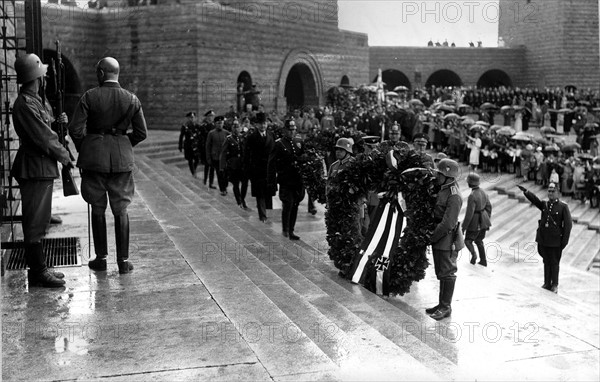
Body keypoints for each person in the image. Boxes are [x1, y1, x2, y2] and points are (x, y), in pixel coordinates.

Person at [69, 57, 147, 274]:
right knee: (121, 209)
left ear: (101, 74)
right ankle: (123, 262)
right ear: (117, 73)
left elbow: (75, 129)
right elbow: (142, 133)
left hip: (94, 160)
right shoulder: (132, 99)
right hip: (122, 162)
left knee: (97, 207)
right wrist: (123, 144)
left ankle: (101, 259)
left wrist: (87, 146)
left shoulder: (89, 97)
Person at [11, 53, 72, 287]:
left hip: (41, 167)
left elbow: (48, 128)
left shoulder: (36, 99)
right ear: (38, 77)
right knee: (35, 222)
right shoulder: (26, 103)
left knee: (41, 219)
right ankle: (37, 273)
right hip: (34, 167)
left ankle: (41, 267)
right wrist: (65, 156)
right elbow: (44, 138)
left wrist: (58, 123)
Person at [518, 182, 572, 293]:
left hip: (556, 241)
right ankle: (547, 283)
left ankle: (555, 284)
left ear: (558, 192)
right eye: (549, 190)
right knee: (546, 261)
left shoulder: (563, 207)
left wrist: (564, 242)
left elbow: (568, 225)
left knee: (554, 262)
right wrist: (526, 192)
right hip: (544, 240)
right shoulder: (545, 205)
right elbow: (535, 200)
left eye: (553, 191)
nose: (550, 193)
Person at [427, 158, 462, 320]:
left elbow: (448, 223)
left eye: (440, 174)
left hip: (446, 237)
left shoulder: (454, 195)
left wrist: (432, 237)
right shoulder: (444, 188)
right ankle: (441, 304)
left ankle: (446, 306)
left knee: (447, 272)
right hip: (440, 235)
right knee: (441, 272)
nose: (437, 177)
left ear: (448, 176)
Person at [267, 119, 305, 240]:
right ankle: (285, 229)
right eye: (289, 129)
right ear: (285, 130)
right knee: (288, 204)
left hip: (297, 180)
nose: (292, 132)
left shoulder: (299, 141)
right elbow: (271, 164)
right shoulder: (279, 144)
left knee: (295, 204)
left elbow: (304, 158)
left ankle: (291, 230)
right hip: (285, 180)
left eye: (293, 129)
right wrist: (271, 181)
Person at [244, 112, 275, 222]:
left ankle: (269, 212)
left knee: (269, 191)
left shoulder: (271, 135)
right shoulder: (252, 138)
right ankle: (262, 215)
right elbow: (247, 155)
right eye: (261, 124)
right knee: (260, 193)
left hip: (269, 169)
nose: (263, 126)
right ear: (256, 125)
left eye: (265, 123)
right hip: (257, 170)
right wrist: (248, 170)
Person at [462, 173, 492, 266]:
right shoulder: (483, 192)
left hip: (475, 221)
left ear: (470, 183)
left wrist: (464, 227)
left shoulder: (472, 195)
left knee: (467, 241)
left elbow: (469, 214)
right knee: (479, 240)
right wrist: (487, 218)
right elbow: (489, 207)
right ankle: (483, 260)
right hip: (484, 219)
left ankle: (474, 255)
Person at [220, 118, 248, 209]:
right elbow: (223, 153)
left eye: (238, 127)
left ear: (240, 127)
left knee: (245, 183)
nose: (236, 129)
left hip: (242, 165)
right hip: (233, 165)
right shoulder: (228, 139)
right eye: (234, 127)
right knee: (236, 184)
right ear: (232, 128)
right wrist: (222, 166)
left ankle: (242, 198)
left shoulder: (243, 138)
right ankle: (239, 201)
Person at [205, 116, 229, 195]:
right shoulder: (211, 133)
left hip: (225, 157)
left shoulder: (226, 133)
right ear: (215, 124)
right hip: (216, 157)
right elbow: (208, 146)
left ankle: (224, 186)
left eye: (221, 123)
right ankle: (223, 189)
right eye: (218, 123)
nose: (220, 125)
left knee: (225, 174)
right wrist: (208, 158)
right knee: (219, 174)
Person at [178, 111, 202, 177]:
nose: (192, 119)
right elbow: (181, 136)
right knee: (190, 159)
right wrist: (180, 146)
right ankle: (193, 173)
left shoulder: (196, 125)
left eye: (193, 117)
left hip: (195, 145)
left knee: (197, 159)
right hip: (188, 145)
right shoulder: (185, 126)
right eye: (190, 117)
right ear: (188, 118)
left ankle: (194, 170)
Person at [200, 110, 215, 186]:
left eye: (212, 116)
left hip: (213, 148)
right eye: (210, 116)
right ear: (207, 117)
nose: (211, 118)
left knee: (212, 166)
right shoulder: (203, 126)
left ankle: (211, 183)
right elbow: (201, 138)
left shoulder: (214, 125)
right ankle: (205, 180)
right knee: (207, 165)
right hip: (206, 148)